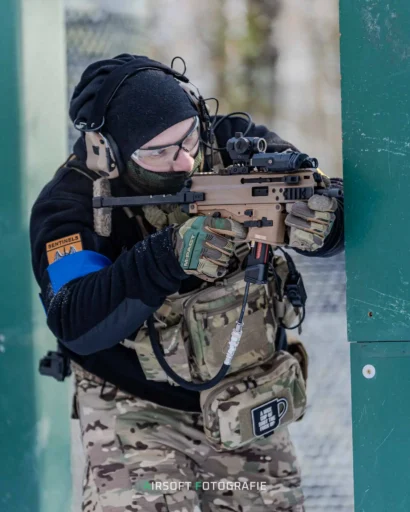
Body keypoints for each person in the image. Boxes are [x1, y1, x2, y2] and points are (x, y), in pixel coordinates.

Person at [30, 54, 344, 512]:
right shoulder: (72, 204)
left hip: (247, 392)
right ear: (108, 151)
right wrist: (165, 257)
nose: (184, 160)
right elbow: (76, 318)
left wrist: (324, 226)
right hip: (135, 408)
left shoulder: (233, 142)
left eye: (188, 137)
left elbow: (322, 199)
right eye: (158, 152)